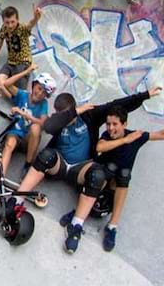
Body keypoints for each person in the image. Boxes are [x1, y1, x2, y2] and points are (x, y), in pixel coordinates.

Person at [12, 87, 159, 254]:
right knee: (46, 155)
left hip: (80, 169)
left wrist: (145, 95)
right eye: (63, 115)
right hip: (59, 164)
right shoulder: (59, 120)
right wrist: (71, 113)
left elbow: (117, 105)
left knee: (98, 175)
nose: (67, 120)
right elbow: (49, 126)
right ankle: (17, 200)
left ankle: (76, 226)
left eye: (69, 115)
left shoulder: (90, 115)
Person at [90, 103, 164, 252]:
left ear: (125, 124)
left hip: (116, 184)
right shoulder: (107, 136)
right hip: (97, 179)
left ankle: (112, 227)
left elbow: (160, 135)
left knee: (124, 173)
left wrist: (131, 138)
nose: (111, 128)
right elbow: (100, 147)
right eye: (108, 124)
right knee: (111, 167)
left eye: (115, 124)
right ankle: (80, 210)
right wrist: (124, 140)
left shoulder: (136, 136)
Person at [0, 65, 54, 178]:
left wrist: (24, 114)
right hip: (15, 133)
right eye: (39, 89)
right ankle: (0, 177)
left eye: (44, 93)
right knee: (9, 145)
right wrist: (26, 72)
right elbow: (6, 84)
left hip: (28, 140)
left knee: (35, 128)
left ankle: (28, 164)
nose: (40, 94)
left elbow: (43, 123)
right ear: (33, 85)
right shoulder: (23, 94)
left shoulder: (43, 104)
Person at [0, 5, 41, 98]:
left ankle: (18, 100)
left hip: (22, 63)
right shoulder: (4, 28)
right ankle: (13, 97)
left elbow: (30, 24)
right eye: (7, 22)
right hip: (10, 63)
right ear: (3, 22)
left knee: (20, 93)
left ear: (17, 19)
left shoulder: (22, 28)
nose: (10, 25)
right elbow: (0, 41)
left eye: (12, 22)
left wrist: (36, 18)